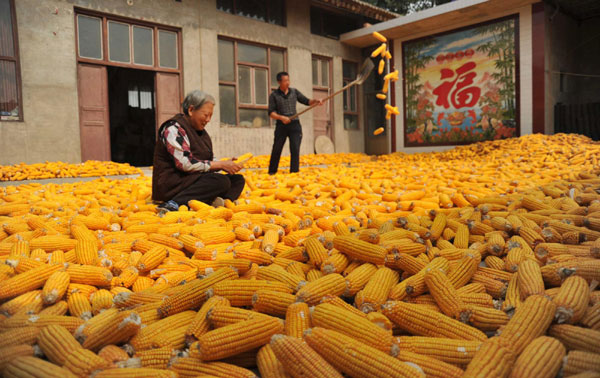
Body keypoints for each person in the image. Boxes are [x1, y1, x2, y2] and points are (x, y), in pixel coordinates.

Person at [152, 90, 245, 213]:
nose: (208, 120)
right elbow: (185, 164)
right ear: (191, 110)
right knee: (220, 181)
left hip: (191, 180)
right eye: (206, 115)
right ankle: (173, 203)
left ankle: (217, 202)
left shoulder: (200, 132)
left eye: (211, 116)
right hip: (173, 184)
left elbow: (208, 159)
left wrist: (226, 164)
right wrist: (221, 165)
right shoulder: (173, 129)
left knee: (238, 180)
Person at [268, 72, 322, 175]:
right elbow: (271, 112)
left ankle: (294, 172)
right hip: (281, 125)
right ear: (279, 82)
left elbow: (306, 101)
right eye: (285, 81)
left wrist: (316, 101)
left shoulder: (294, 92)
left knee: (295, 148)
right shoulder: (274, 95)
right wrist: (281, 117)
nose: (288, 83)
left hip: (294, 124)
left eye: (288, 80)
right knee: (277, 148)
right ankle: (272, 172)